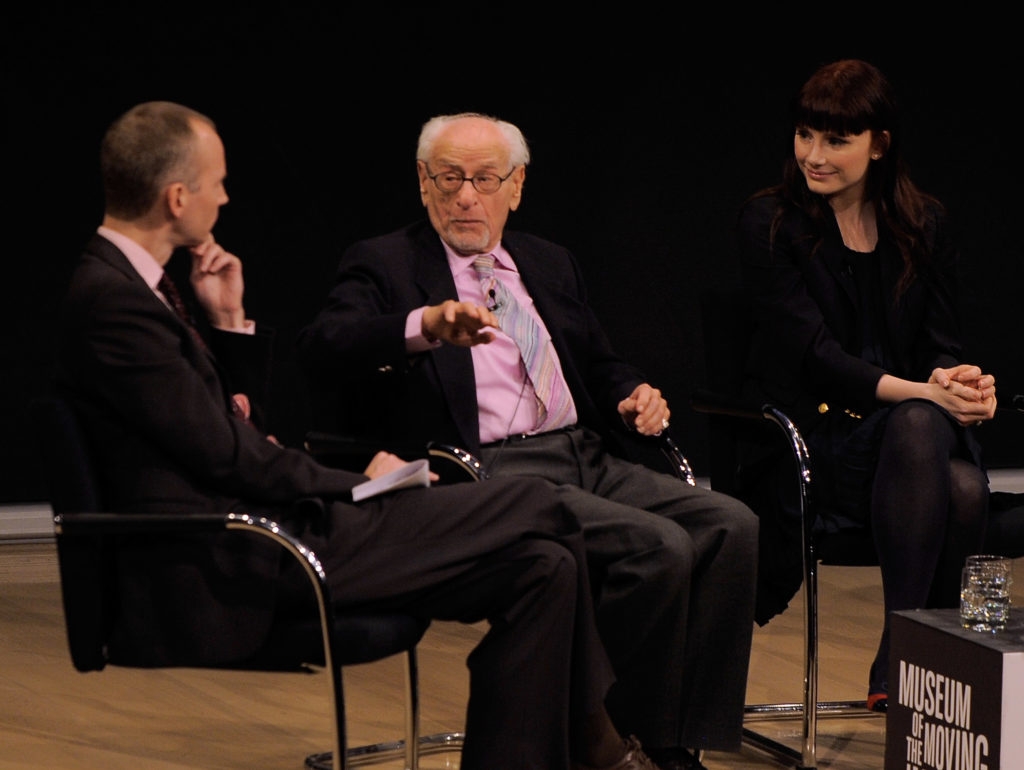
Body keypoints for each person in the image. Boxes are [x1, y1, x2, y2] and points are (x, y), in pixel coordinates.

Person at [54, 100, 665, 770]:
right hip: (232, 556)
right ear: (176, 198)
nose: (225, 196)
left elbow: (224, 427)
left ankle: (565, 748)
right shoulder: (115, 302)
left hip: (269, 524)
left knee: (543, 567)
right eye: (216, 182)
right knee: (537, 506)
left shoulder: (143, 290)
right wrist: (359, 485)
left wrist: (228, 324)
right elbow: (229, 457)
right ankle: (602, 744)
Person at [296, 111, 760, 770]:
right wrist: (425, 323)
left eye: (484, 179)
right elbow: (325, 345)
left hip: (584, 454)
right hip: (485, 472)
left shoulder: (547, 262)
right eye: (450, 177)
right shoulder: (384, 263)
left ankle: (672, 737)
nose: (465, 196)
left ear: (515, 187)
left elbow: (599, 364)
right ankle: (600, 735)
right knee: (655, 547)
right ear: (423, 183)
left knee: (730, 524)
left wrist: (633, 393)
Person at [734, 59, 998, 713]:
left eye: (835, 140)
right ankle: (913, 657)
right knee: (938, 451)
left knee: (956, 475)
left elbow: (940, 347)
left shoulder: (924, 223)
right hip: (815, 440)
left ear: (878, 143)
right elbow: (816, 359)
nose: (812, 155)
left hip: (909, 449)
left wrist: (957, 383)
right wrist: (924, 396)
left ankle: (905, 660)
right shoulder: (771, 223)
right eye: (805, 135)